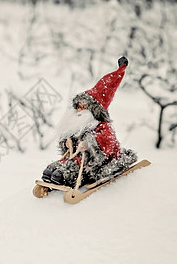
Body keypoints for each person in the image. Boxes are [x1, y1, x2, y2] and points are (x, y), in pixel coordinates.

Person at [42, 56, 137, 186]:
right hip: (77, 158)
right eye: (78, 107)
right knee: (55, 168)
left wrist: (89, 143)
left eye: (83, 107)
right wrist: (68, 142)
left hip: (96, 163)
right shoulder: (80, 125)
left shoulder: (103, 127)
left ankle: (68, 178)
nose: (79, 111)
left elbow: (106, 145)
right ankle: (57, 174)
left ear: (94, 111)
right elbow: (72, 143)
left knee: (71, 170)